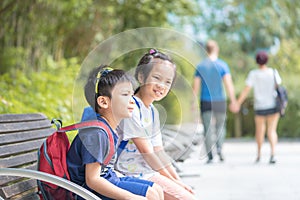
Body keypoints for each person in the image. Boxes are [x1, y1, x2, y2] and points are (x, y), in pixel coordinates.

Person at [67, 65, 164, 200]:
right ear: (103, 102)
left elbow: (106, 172)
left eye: (131, 94)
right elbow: (92, 180)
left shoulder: (109, 129)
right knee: (149, 195)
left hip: (108, 179)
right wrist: (129, 197)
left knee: (156, 190)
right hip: (85, 193)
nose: (132, 100)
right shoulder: (97, 134)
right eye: (125, 95)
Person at [114, 49, 196, 200]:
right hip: (128, 174)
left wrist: (178, 181)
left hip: (147, 173)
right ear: (141, 76)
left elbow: (159, 152)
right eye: (157, 78)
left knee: (186, 193)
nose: (162, 86)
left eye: (167, 82)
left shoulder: (152, 111)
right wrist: (174, 183)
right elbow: (148, 153)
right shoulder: (131, 107)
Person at [192, 40, 237, 163]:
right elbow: (229, 84)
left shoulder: (200, 66)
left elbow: (195, 87)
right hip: (220, 100)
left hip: (205, 100)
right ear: (216, 49)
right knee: (220, 127)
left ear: (206, 50)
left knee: (207, 128)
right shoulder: (223, 65)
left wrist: (193, 103)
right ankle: (219, 149)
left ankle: (210, 155)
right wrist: (233, 100)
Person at [236, 51, 281, 164]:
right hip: (273, 106)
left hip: (260, 107)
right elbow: (278, 87)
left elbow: (246, 90)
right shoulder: (273, 72)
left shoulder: (253, 74)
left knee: (260, 131)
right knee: (271, 131)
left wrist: (238, 103)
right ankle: (273, 154)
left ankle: (259, 154)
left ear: (256, 61)